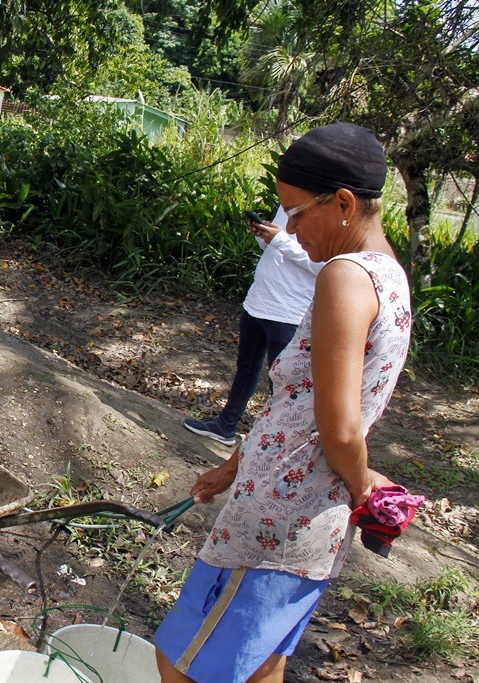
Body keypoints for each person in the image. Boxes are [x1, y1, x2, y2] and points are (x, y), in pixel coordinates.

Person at [154, 122, 412, 683]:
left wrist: (366, 485)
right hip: (309, 516)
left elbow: (341, 428)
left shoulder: (344, 278)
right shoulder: (390, 276)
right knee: (262, 662)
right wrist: (235, 464)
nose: (290, 232)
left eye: (297, 214)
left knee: (180, 662)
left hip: (278, 517)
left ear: (344, 203)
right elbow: (301, 408)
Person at [184, 207, 323, 446]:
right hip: (258, 301)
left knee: (280, 383)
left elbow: (321, 265)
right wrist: (265, 237)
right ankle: (225, 425)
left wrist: (279, 240)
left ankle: (279, 443)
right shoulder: (287, 204)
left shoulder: (324, 210)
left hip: (289, 313)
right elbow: (275, 251)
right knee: (246, 369)